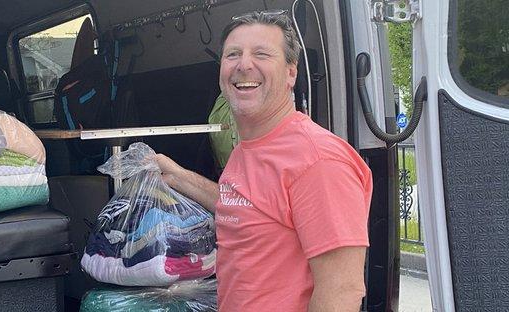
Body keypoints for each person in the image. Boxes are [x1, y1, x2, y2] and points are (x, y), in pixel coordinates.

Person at [156, 10, 372, 312]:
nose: (244, 65)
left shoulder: (318, 161)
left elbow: (342, 290)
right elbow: (246, 208)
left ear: (291, 72)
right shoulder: (250, 148)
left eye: (261, 54)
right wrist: (177, 176)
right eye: (233, 54)